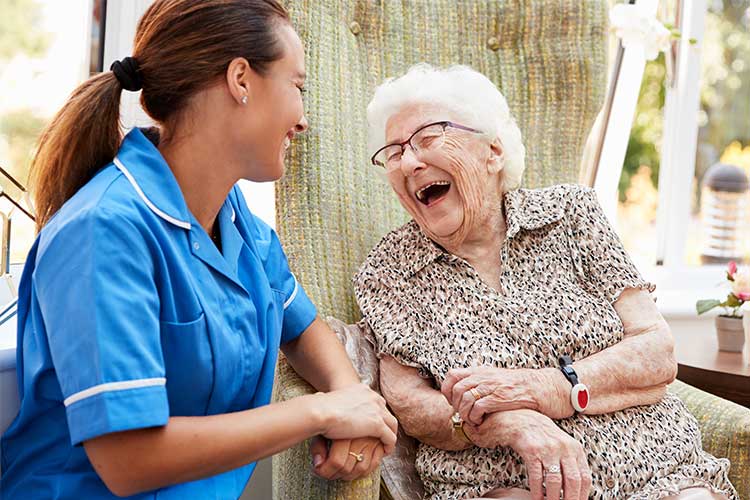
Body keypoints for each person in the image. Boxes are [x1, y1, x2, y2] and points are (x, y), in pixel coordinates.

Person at [0, 1, 397, 498]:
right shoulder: (103, 230)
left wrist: (350, 395)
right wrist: (319, 411)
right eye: (298, 88)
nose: (303, 120)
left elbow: (302, 326)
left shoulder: (233, 219)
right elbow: (128, 459)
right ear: (241, 80)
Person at [354, 64, 738, 500]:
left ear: (493, 152)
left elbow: (656, 351)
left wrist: (549, 389)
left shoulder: (571, 214)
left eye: (427, 138)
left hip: (658, 469)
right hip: (503, 482)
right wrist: (509, 422)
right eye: (394, 152)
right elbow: (410, 404)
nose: (409, 161)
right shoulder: (390, 270)